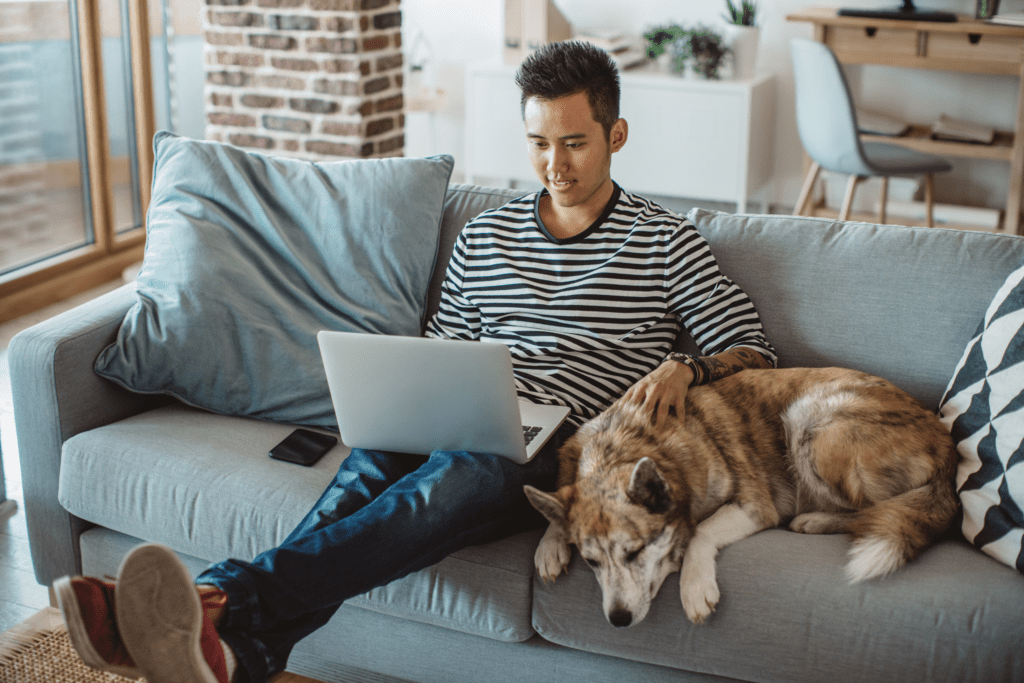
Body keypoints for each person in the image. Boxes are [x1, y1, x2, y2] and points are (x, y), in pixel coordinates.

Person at [55, 40, 776, 683]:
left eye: (576, 143)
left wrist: (687, 367)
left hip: (566, 445)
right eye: (538, 142)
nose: (555, 164)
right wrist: (414, 391)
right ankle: (241, 652)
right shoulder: (486, 236)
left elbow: (754, 349)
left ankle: (217, 598)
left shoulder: (665, 241)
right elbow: (444, 350)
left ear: (616, 135)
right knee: (362, 475)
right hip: (467, 409)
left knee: (449, 480)